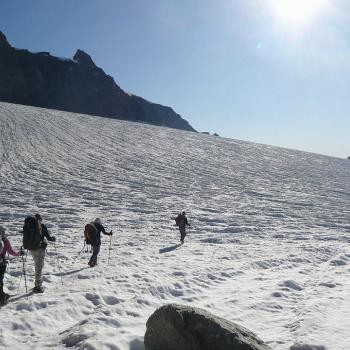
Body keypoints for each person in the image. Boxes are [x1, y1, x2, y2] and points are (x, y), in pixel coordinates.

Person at [26, 214, 55, 293]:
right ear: (40, 220)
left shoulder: (29, 227)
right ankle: (37, 287)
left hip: (31, 249)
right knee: (39, 268)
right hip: (40, 249)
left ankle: (37, 283)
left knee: (37, 265)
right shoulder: (42, 226)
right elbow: (49, 238)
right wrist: (53, 239)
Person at [0, 226, 23, 305]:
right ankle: (2, 299)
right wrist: (19, 253)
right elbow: (11, 251)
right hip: (2, 264)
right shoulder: (5, 241)